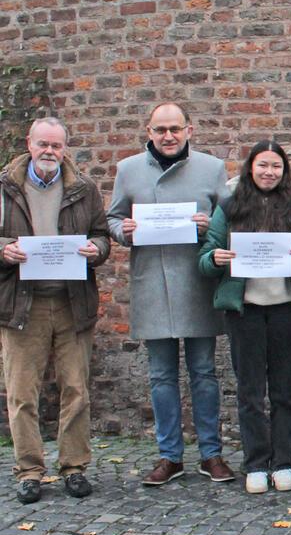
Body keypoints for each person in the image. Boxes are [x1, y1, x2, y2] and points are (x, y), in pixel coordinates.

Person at [107, 102, 233, 487]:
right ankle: (169, 456)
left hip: (197, 282)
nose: (168, 136)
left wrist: (210, 226)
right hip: (152, 282)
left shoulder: (212, 168)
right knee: (161, 375)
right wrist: (124, 231)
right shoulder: (128, 170)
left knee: (204, 372)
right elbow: (113, 218)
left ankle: (211, 453)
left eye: (175, 129)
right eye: (160, 129)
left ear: (189, 130)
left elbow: (230, 221)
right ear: (149, 131)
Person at [1, 118, 111, 504]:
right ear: (29, 143)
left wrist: (97, 250)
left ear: (65, 148)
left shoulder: (84, 188)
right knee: (22, 392)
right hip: (22, 303)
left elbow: (102, 235)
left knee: (76, 389)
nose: (49, 151)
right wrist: (3, 250)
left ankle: (74, 467)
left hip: (71, 301)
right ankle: (29, 470)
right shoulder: (5, 187)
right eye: (43, 144)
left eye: (57, 145)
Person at [198, 141, 291, 494]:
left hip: (286, 307)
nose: (269, 172)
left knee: (284, 391)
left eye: (276, 166)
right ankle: (256, 464)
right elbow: (205, 257)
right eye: (263, 165)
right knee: (250, 391)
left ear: (284, 171)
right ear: (251, 167)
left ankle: (283, 462)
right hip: (245, 309)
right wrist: (215, 258)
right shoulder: (230, 206)